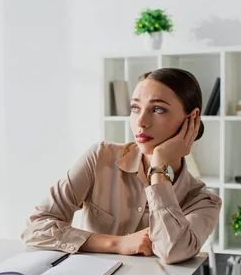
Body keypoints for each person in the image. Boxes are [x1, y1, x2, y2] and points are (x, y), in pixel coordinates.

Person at [21, 68, 222, 264]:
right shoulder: (100, 158)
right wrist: (117, 243)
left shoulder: (203, 201)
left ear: (192, 119)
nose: (141, 122)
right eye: (135, 108)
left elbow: (172, 252)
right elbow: (35, 228)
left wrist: (159, 167)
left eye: (158, 109)